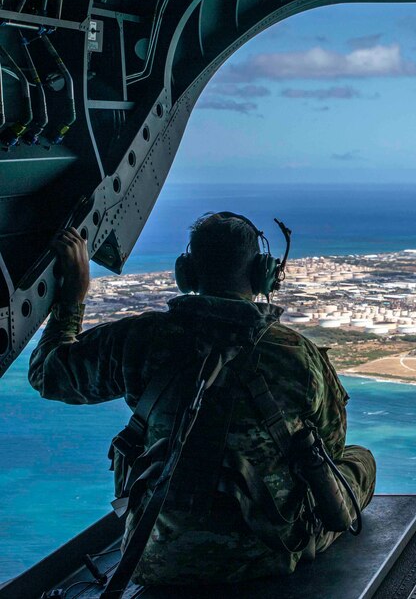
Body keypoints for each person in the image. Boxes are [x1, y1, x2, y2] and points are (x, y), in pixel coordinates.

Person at [30, 213, 376, 586]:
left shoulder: (140, 340)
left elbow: (48, 376)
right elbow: (330, 449)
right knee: (360, 459)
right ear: (265, 273)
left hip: (156, 556)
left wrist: (72, 297)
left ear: (187, 274)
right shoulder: (298, 355)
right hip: (269, 554)